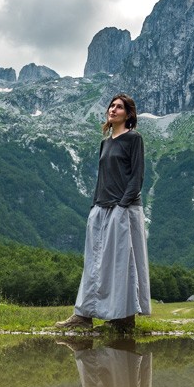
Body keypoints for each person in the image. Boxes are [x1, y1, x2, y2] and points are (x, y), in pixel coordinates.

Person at [57, 93, 151, 332]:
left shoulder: (134, 139)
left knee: (121, 264)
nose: (113, 109)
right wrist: (94, 207)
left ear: (128, 114)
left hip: (124, 209)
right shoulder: (106, 142)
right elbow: (103, 178)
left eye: (119, 107)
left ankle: (124, 318)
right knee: (94, 262)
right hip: (100, 208)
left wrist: (122, 206)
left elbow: (137, 177)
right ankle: (83, 315)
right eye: (111, 106)